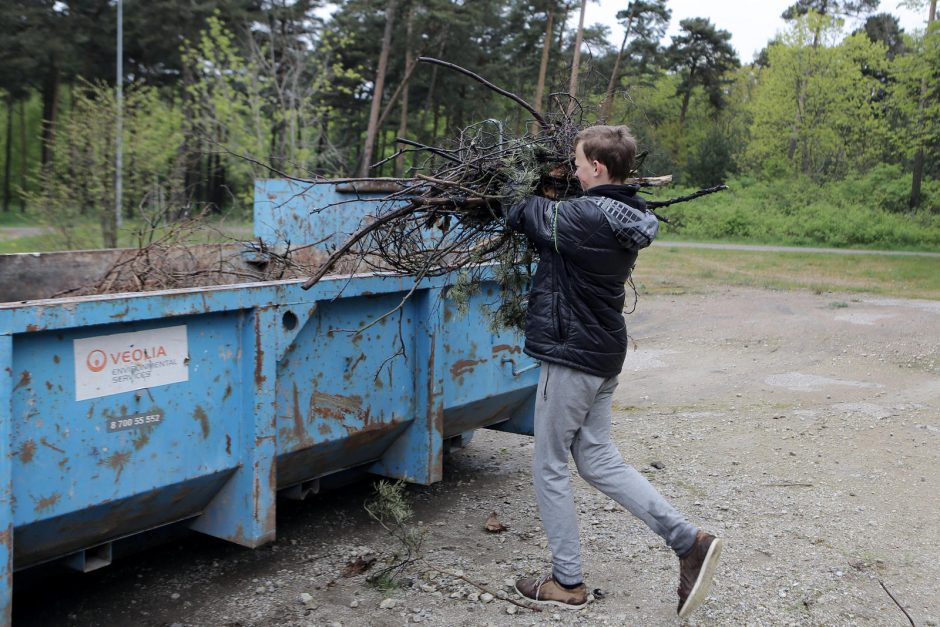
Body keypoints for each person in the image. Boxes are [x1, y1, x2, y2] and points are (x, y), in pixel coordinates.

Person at [505, 125, 722, 618]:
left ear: (598, 168)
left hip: (573, 356)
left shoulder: (582, 218)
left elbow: (522, 212)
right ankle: (688, 542)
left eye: (580, 163)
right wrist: (559, 181)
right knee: (599, 461)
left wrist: (534, 184)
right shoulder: (631, 214)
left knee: (548, 464)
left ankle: (567, 581)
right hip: (602, 354)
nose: (576, 170)